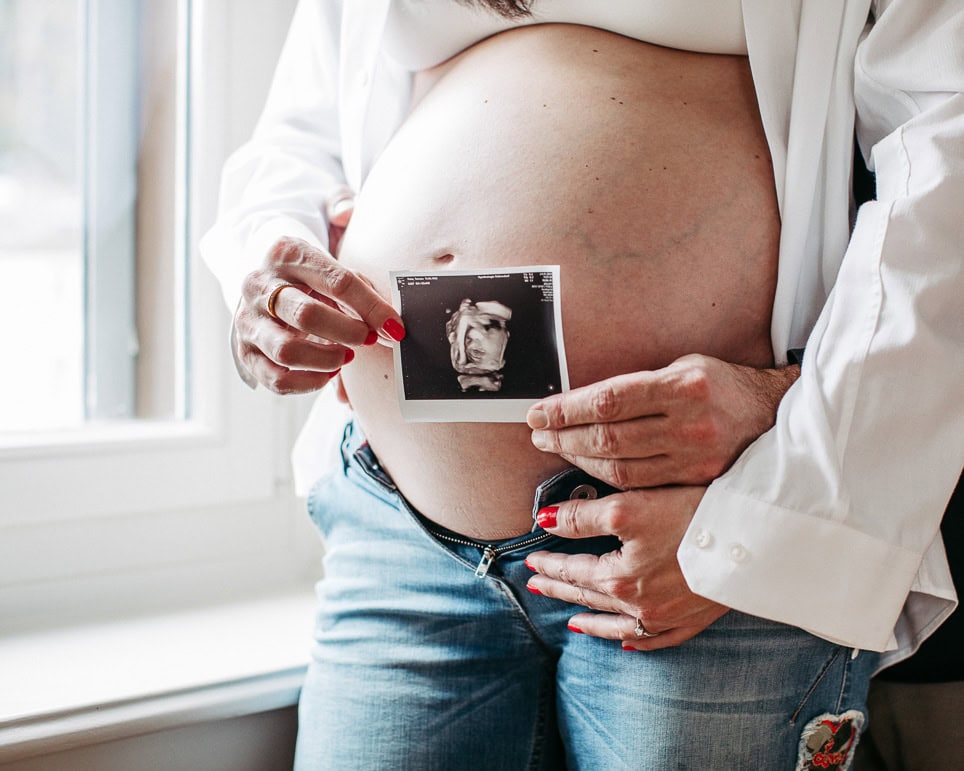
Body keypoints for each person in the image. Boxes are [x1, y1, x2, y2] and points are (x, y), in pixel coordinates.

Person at [200, 1, 963, 767]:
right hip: (398, 522)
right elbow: (298, 136)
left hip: (706, 525)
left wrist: (769, 509)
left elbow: (946, 155)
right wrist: (269, 275)